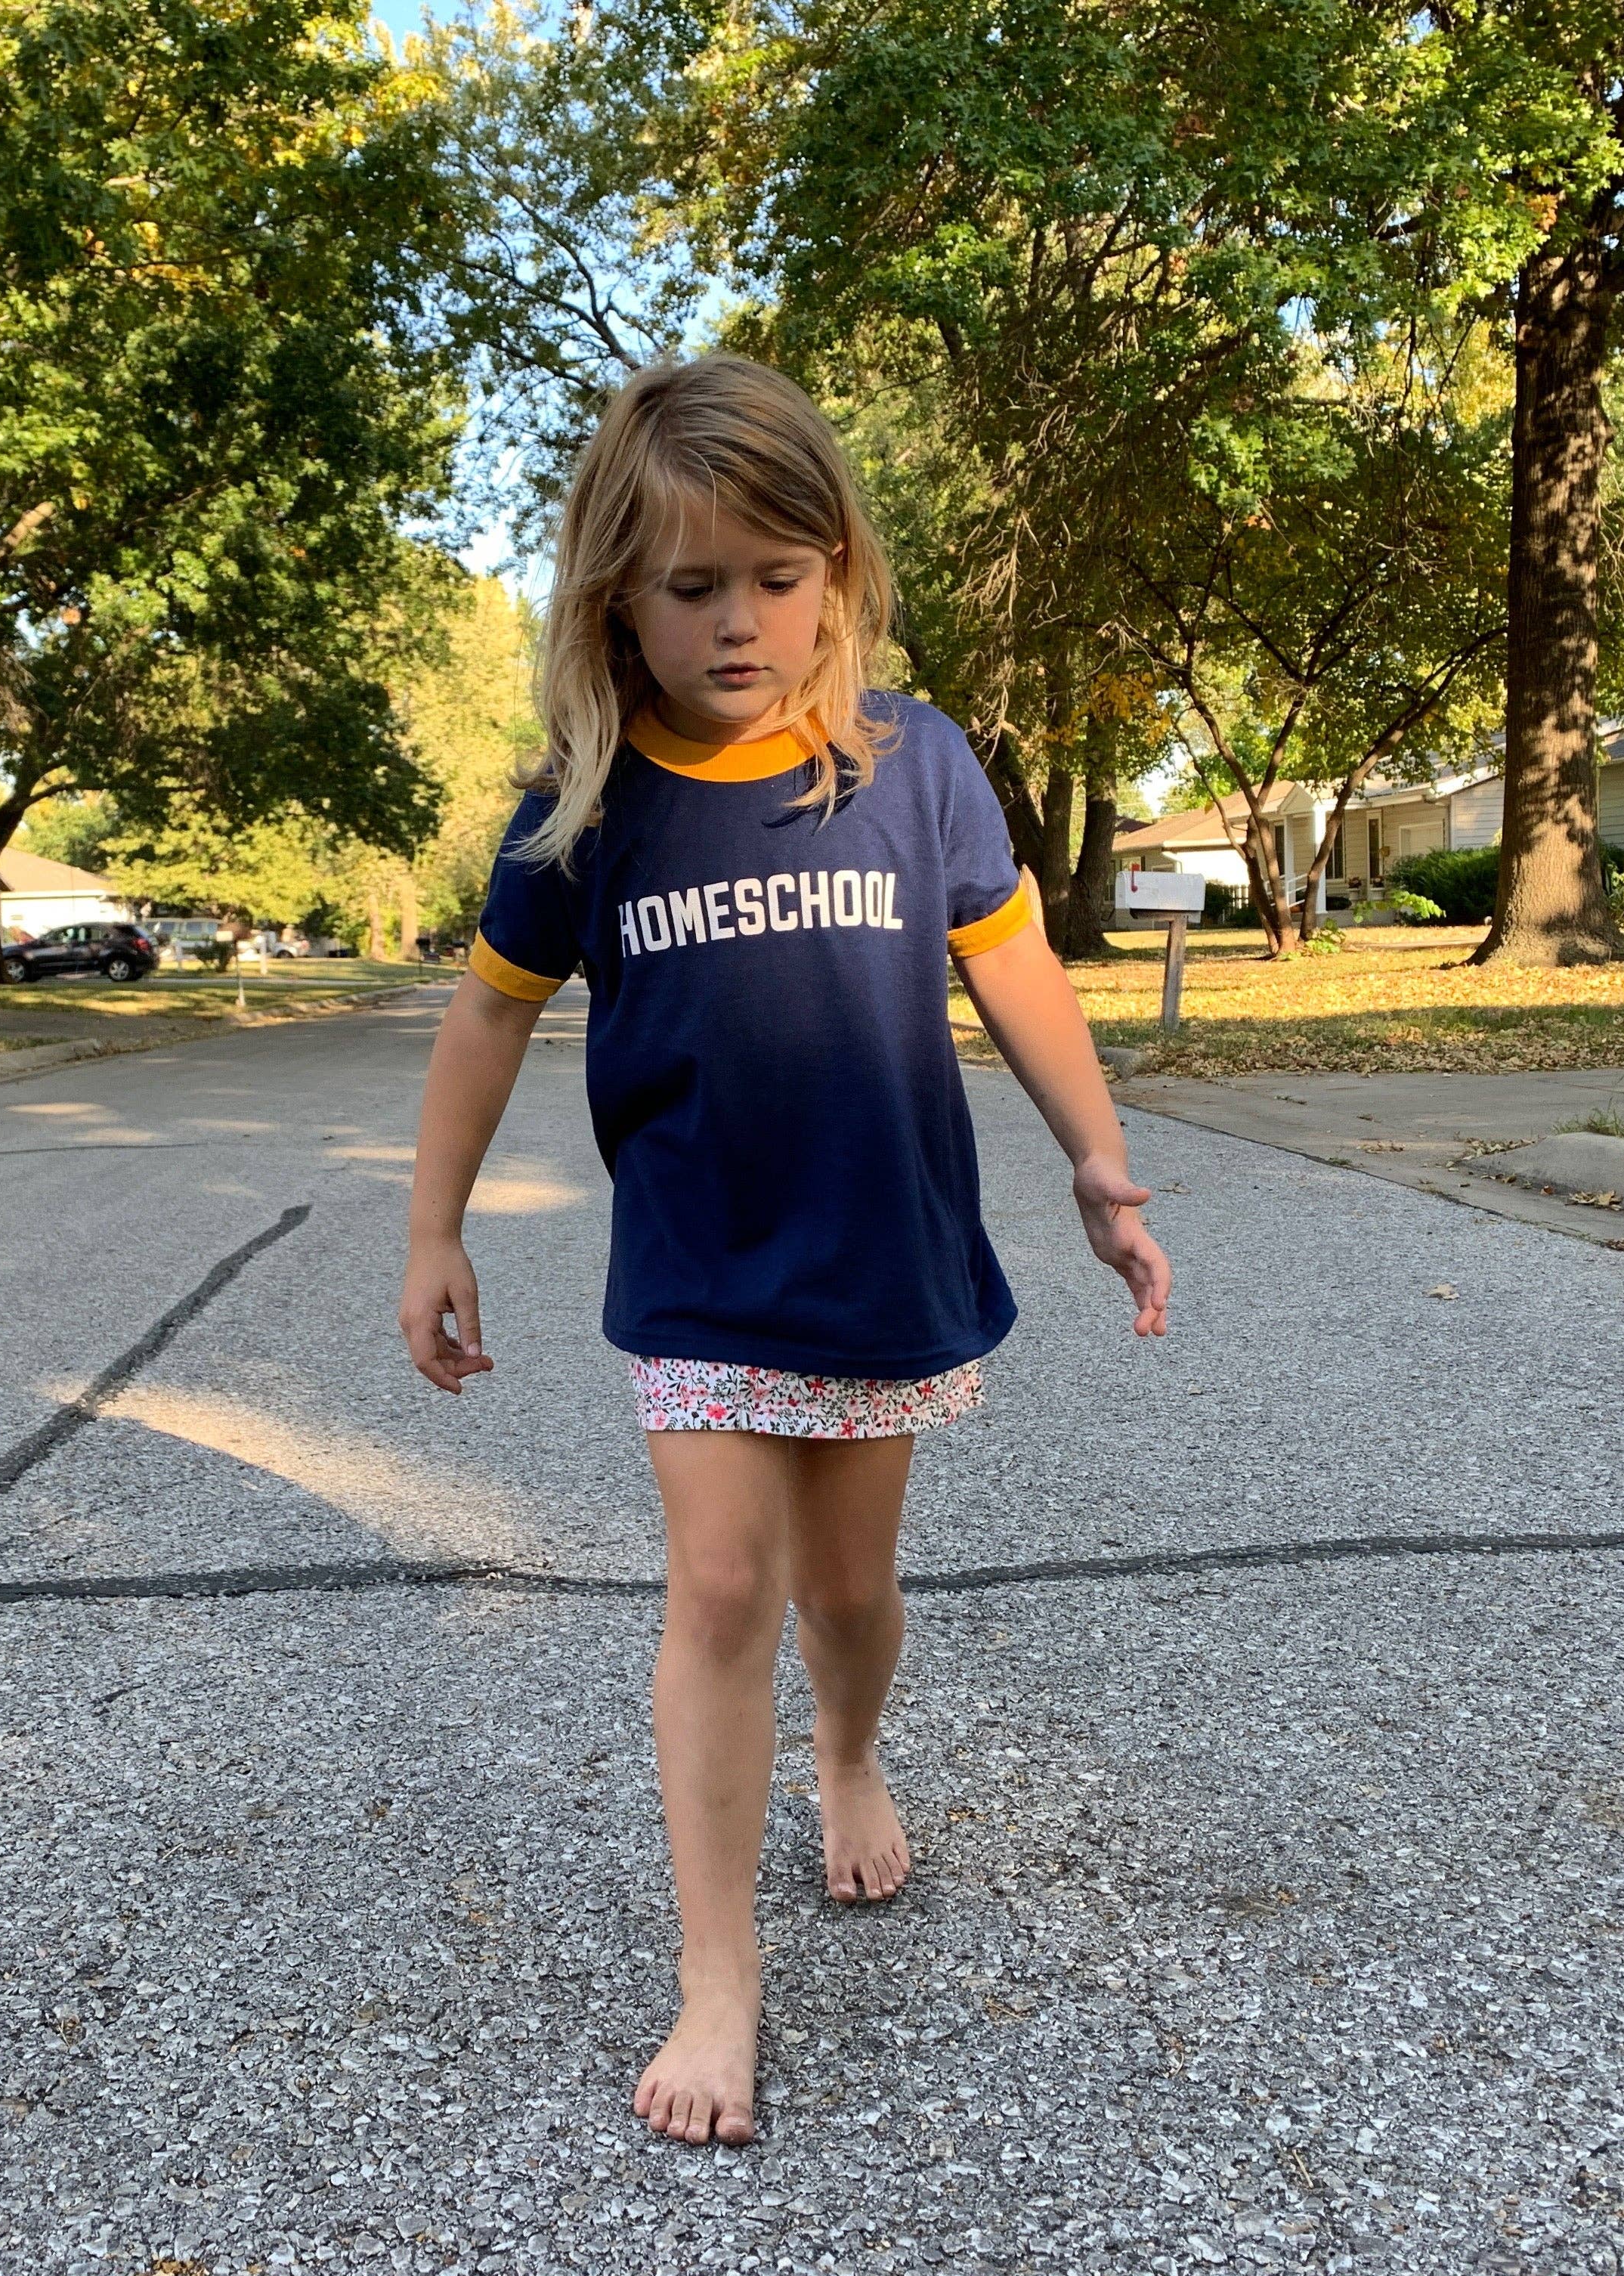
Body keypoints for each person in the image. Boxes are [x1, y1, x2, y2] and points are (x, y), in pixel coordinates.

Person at [397, 355, 1171, 2148]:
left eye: (776, 576)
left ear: (838, 575)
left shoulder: (916, 767)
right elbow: (489, 1018)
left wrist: (1099, 1160)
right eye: (691, 586)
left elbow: (1014, 963)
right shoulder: (586, 805)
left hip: (876, 1256)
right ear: (618, 596)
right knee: (727, 1587)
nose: (737, 620)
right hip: (699, 1266)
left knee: (846, 1594)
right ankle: (718, 1980)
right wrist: (433, 1226)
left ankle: (849, 1750)